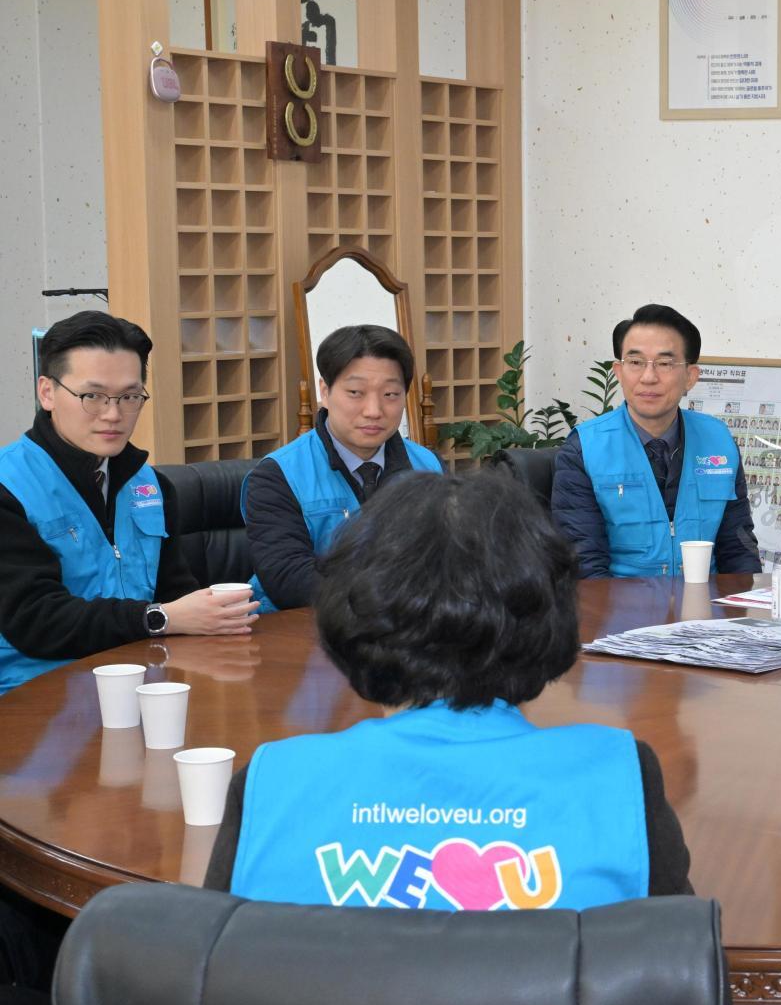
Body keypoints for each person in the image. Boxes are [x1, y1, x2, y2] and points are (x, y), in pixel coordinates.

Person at [207, 470, 693, 908]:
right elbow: (676, 969)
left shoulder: (272, 783)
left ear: (349, 613)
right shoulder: (618, 776)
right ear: (551, 615)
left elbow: (218, 976)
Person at [0, 311, 257, 694]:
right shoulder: (10, 485)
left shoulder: (150, 485)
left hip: (142, 682)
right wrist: (158, 618)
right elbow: (35, 620)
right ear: (47, 392)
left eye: (130, 396)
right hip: (33, 695)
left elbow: (175, 595)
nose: (113, 414)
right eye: (93, 396)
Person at [551, 304, 760, 578]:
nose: (648, 378)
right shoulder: (584, 449)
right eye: (635, 363)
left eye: (665, 363)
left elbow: (738, 550)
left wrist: (743, 614)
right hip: (618, 614)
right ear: (618, 372)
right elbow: (584, 566)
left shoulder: (717, 441)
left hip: (706, 612)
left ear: (690, 377)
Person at [242, 324, 442, 611]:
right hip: (299, 631)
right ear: (325, 391)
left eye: (390, 394)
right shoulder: (277, 475)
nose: (373, 410)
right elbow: (290, 580)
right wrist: (396, 594)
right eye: (356, 392)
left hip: (408, 631)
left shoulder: (429, 465)